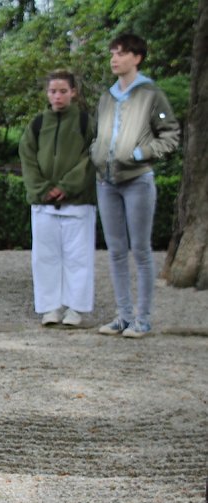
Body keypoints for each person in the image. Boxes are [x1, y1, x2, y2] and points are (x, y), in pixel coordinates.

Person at [91, 33, 179, 338]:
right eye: (112, 53)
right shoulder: (107, 96)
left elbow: (170, 135)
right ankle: (123, 316)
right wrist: (96, 153)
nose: (114, 59)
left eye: (121, 53)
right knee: (116, 251)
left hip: (137, 181)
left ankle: (143, 319)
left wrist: (140, 153)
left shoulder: (151, 93)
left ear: (137, 57)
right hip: (106, 183)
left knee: (140, 250)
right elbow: (99, 135)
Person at [18, 70, 97, 327]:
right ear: (47, 93)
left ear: (73, 92)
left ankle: (76, 308)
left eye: (63, 91)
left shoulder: (86, 122)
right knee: (45, 258)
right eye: (53, 91)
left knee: (78, 257)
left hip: (78, 203)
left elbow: (92, 156)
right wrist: (43, 188)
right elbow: (27, 157)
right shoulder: (38, 123)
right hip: (44, 204)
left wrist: (67, 185)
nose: (58, 96)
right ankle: (50, 307)